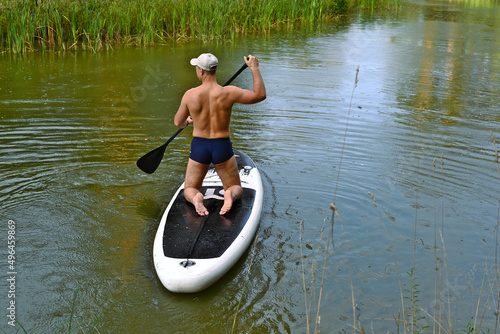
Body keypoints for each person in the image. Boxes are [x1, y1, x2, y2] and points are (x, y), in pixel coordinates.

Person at [174, 53, 266, 216]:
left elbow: (178, 123)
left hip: (199, 146)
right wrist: (254, 68)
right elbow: (259, 95)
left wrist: (188, 121)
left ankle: (196, 197)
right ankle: (229, 194)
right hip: (221, 146)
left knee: (190, 188)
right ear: (214, 70)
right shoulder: (229, 92)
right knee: (235, 187)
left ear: (201, 71)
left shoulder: (190, 95)